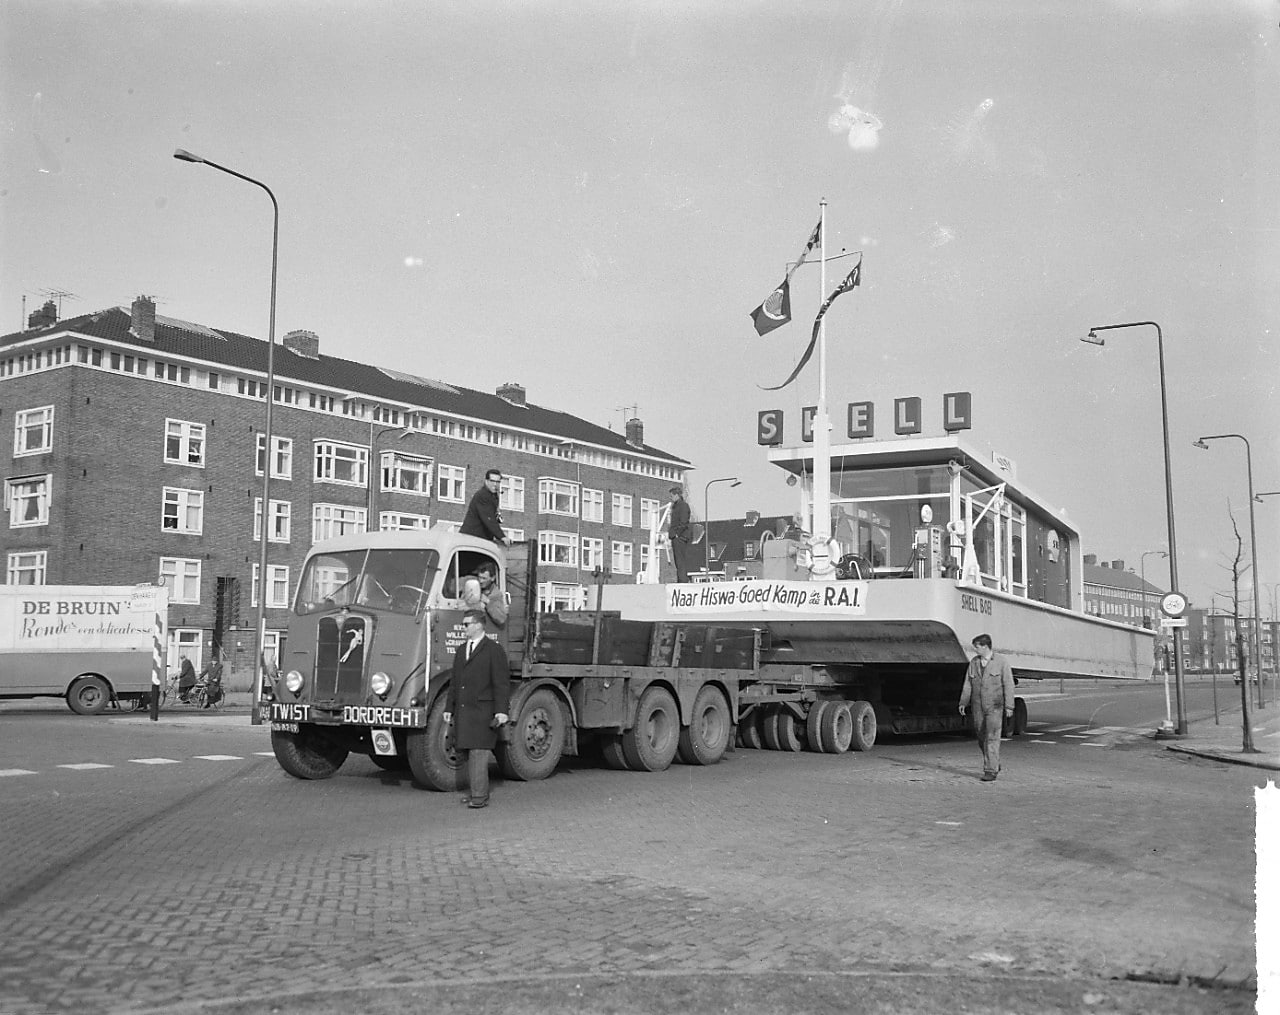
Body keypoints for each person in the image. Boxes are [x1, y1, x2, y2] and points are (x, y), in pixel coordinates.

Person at [443, 610, 511, 809]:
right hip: (465, 712)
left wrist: (501, 711)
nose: (463, 628)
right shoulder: (462, 650)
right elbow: (454, 682)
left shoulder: (494, 650)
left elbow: (501, 683)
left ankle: (479, 797)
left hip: (483, 711)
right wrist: (449, 707)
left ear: (479, 625)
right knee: (466, 752)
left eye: (467, 624)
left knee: (479, 753)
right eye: (463, 624)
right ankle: (476, 792)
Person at [958, 633, 1016, 782]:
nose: (975, 650)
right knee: (980, 735)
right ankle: (994, 762)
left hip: (995, 706)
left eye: (977, 647)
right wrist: (963, 702)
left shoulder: (1001, 662)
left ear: (985, 646)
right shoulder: (974, 663)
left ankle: (990, 770)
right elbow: (968, 684)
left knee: (992, 737)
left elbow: (1008, 684)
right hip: (978, 706)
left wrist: (1009, 706)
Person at [460, 468, 508, 545]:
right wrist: (502, 537)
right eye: (492, 481)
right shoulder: (483, 495)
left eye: (498, 482)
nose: (495, 484)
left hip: (480, 540)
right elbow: (489, 519)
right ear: (486, 481)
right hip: (471, 540)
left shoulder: (494, 496)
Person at [461, 561, 509, 628]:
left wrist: (488, 602)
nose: (480, 581)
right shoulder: (472, 584)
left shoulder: (496, 594)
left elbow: (501, 619)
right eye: (479, 577)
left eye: (484, 578)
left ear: (492, 578)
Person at [667, 485, 692, 582]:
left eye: (672, 496)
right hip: (676, 537)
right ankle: (680, 579)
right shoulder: (676, 506)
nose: (671, 498)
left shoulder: (683, 506)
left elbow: (684, 521)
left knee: (680, 560)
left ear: (677, 495)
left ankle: (682, 581)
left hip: (680, 537)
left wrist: (677, 534)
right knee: (678, 561)